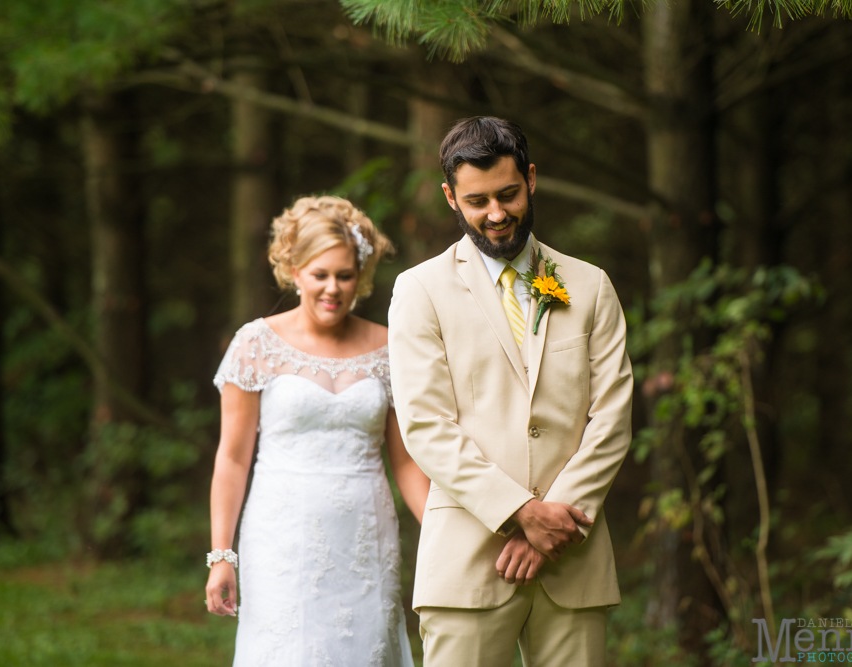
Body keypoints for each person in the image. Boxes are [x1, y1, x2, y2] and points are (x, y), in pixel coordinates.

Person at [387, 117, 634, 666]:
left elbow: (612, 418)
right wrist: (520, 512)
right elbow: (426, 425)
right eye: (477, 201)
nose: (495, 214)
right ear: (451, 197)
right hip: (469, 559)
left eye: (508, 194)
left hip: (575, 558)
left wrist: (557, 521)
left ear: (532, 179)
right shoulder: (419, 291)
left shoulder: (589, 286)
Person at [206, 195, 430, 667]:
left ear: (360, 276)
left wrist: (442, 531)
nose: (333, 288)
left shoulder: (388, 348)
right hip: (280, 538)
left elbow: (405, 461)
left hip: (366, 538)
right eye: (320, 274)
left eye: (345, 275)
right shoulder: (257, 345)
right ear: (295, 270)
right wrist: (221, 554)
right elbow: (232, 458)